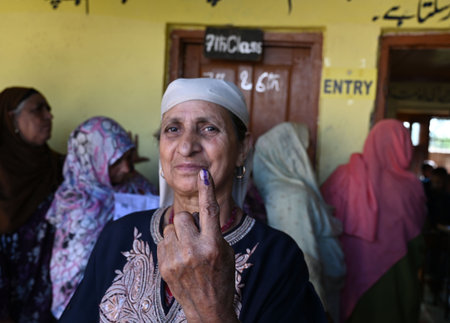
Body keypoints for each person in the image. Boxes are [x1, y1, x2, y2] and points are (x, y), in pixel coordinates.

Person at [59, 78, 327, 322]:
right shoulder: (118, 237)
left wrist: (212, 310)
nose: (186, 147)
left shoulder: (276, 256)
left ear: (242, 149)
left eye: (209, 128)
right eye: (173, 129)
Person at [45, 116, 156, 319]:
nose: (127, 168)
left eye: (129, 157)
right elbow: (70, 278)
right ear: (92, 161)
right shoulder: (77, 206)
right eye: (115, 162)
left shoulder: (137, 185)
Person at [320, 119, 426, 323]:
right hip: (399, 274)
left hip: (351, 272)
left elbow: (323, 221)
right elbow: (418, 236)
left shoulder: (345, 175)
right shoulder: (412, 187)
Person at [253, 122, 346, 322]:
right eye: (305, 147)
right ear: (288, 152)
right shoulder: (291, 196)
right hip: (316, 301)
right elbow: (306, 260)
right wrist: (322, 311)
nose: (311, 152)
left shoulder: (284, 189)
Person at [0, 87, 64, 323]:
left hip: (46, 297)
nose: (49, 116)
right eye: (38, 109)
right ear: (11, 118)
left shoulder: (59, 166)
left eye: (48, 109)